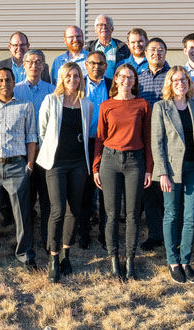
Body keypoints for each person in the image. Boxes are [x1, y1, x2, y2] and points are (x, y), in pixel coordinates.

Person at [0, 67, 39, 273]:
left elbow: (31, 137)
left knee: (22, 212)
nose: (4, 84)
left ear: (14, 82)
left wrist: (29, 164)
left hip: (17, 165)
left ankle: (24, 254)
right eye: (0, 80)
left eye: (8, 80)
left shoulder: (26, 106)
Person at [93, 64, 152, 281]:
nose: (126, 80)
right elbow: (100, 137)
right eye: (122, 77)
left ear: (135, 81)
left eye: (131, 77)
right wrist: (96, 166)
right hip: (110, 160)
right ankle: (113, 260)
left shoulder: (143, 105)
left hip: (135, 161)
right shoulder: (106, 105)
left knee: (133, 214)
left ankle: (130, 261)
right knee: (111, 214)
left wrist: (149, 168)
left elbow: (147, 138)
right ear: (116, 80)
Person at [150, 66, 194, 284]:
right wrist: (162, 173)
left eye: (183, 79)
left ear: (189, 82)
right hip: (171, 170)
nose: (180, 83)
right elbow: (157, 143)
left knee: (191, 216)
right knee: (172, 214)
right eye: (175, 80)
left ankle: (186, 260)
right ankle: (173, 261)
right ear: (169, 83)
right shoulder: (161, 107)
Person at [37, 62, 93, 283]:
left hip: (79, 164)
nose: (72, 79)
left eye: (76, 76)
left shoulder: (87, 104)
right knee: (57, 210)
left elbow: (87, 133)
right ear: (61, 78)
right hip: (56, 163)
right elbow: (42, 131)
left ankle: (66, 255)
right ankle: (53, 257)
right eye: (68, 76)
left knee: (73, 210)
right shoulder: (51, 100)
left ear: (81, 79)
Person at [13, 49, 55, 240]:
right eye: (30, 62)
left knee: (47, 197)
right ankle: (25, 238)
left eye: (38, 62)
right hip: (21, 151)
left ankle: (48, 237)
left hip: (46, 151)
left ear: (44, 66)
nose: (34, 66)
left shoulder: (52, 91)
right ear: (23, 65)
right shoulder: (15, 90)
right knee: (25, 198)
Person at [135, 37, 171, 251]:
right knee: (149, 187)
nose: (156, 53)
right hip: (145, 138)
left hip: (168, 139)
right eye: (152, 50)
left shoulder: (172, 76)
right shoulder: (139, 78)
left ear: (166, 53)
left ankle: (170, 232)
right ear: (145, 54)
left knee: (169, 188)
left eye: (160, 50)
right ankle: (155, 233)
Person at [77, 51, 112, 249]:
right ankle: (83, 233)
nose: (96, 67)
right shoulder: (78, 84)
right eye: (92, 63)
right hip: (84, 143)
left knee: (106, 192)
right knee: (84, 191)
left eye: (100, 64)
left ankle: (105, 235)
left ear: (106, 66)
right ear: (86, 65)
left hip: (107, 145)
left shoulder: (111, 85)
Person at [85, 15, 130, 79]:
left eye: (107, 25)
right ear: (95, 29)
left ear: (112, 29)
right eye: (100, 25)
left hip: (115, 87)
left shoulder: (123, 48)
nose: (104, 27)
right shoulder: (88, 49)